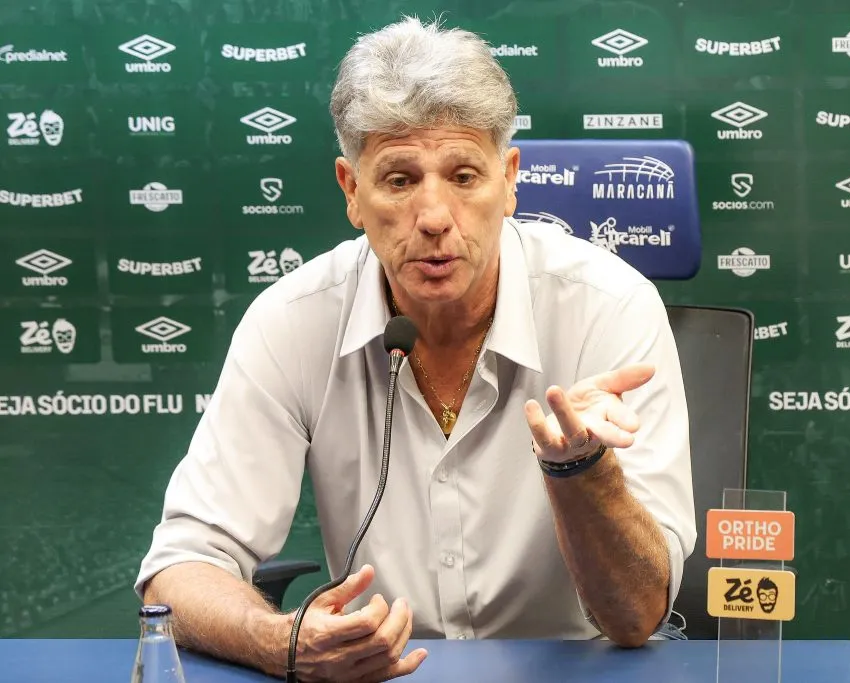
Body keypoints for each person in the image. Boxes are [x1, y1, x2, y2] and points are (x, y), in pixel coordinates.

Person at [135, 15, 696, 683]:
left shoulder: (609, 305)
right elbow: (179, 568)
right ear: (352, 191)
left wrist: (583, 471)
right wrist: (278, 638)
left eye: (463, 175)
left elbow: (636, 616)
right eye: (400, 180)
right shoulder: (292, 321)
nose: (433, 216)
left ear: (510, 180)